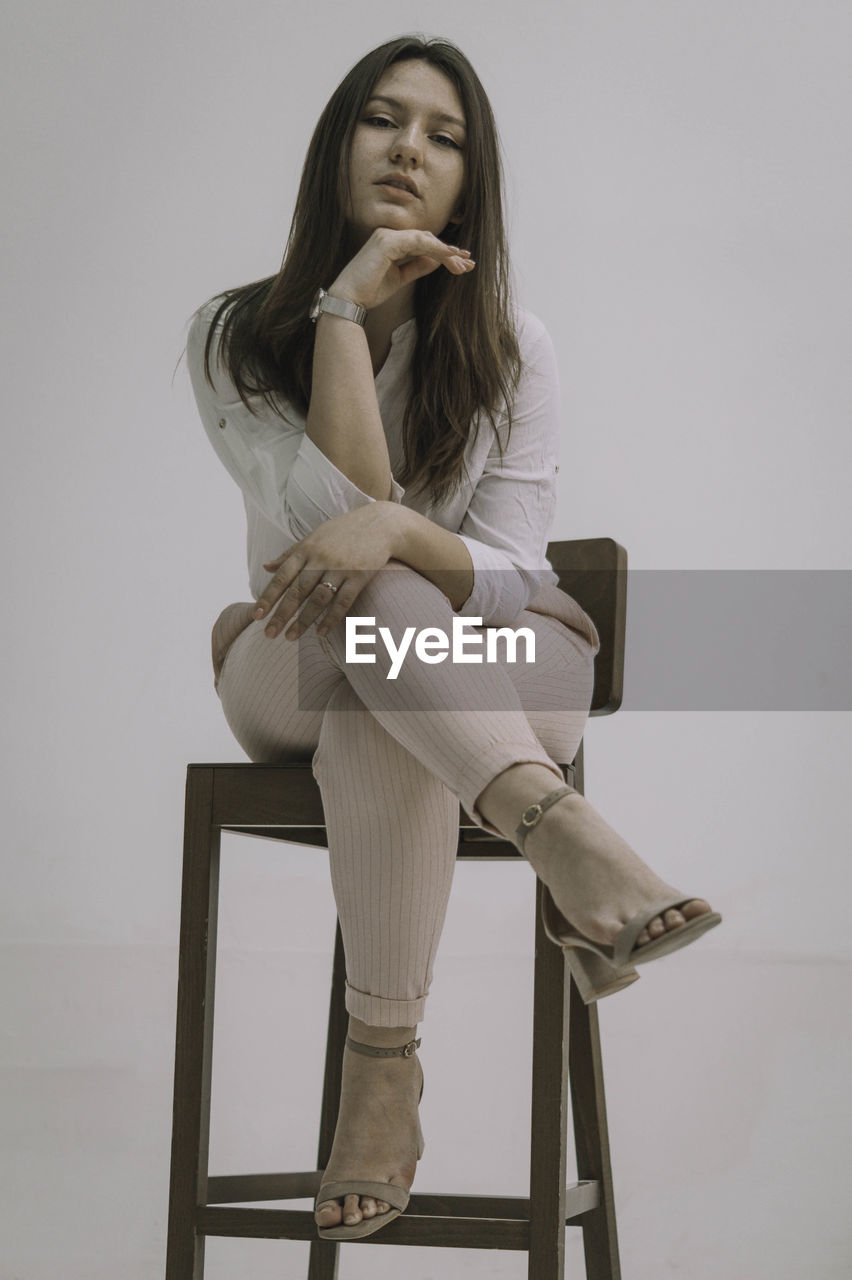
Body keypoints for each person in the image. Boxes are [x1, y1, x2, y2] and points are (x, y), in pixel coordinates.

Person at [184, 34, 721, 1242]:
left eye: (444, 133)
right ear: (340, 149)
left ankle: (382, 1067)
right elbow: (333, 532)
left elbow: (513, 576)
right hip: (294, 661)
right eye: (384, 120)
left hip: (491, 668)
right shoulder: (235, 334)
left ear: (468, 182)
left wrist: (396, 544)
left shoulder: (514, 346)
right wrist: (339, 310)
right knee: (368, 605)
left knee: (389, 640)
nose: (410, 148)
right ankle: (565, 837)